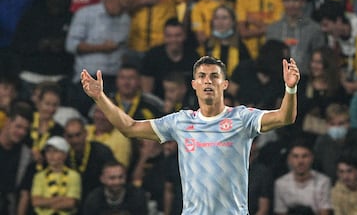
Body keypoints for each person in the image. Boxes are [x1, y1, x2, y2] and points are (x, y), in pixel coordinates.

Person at [80, 55, 300, 214]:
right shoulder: (181, 121)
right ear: (194, 84)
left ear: (225, 84)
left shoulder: (242, 119)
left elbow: (285, 117)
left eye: (214, 76)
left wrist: (290, 89)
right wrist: (100, 97)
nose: (208, 81)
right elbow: (130, 127)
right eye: (202, 76)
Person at [65, 0, 131, 116]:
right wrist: (101, 48)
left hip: (113, 80)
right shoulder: (86, 14)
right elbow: (71, 45)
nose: (123, 9)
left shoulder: (125, 19)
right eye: (121, 5)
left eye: (125, 6)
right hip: (87, 78)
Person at [12, 0, 73, 100]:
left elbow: (78, 47)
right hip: (29, 76)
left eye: (62, 0)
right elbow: (17, 45)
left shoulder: (72, 19)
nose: (57, 4)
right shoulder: (31, 16)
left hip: (60, 78)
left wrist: (64, 45)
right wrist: (39, 45)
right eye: (55, 0)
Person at [266, 0, 326, 80]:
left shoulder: (314, 29)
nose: (291, 5)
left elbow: (321, 59)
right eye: (287, 0)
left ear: (303, 2)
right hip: (277, 81)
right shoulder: (273, 29)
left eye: (295, 0)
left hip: (305, 80)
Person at [140, 18, 200, 99]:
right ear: (164, 37)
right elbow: (146, 93)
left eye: (177, 35)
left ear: (184, 36)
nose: (173, 40)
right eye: (169, 36)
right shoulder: (152, 57)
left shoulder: (193, 57)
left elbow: (199, 89)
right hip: (158, 105)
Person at [313, 103, 357, 183]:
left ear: (348, 124)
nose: (336, 128)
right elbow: (317, 169)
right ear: (327, 124)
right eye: (332, 124)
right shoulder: (321, 142)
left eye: (341, 124)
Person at [273, 138, 332, 215]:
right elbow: (280, 212)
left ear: (312, 158)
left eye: (304, 156)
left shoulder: (324, 182)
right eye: (295, 156)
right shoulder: (280, 184)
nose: (300, 161)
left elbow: (325, 212)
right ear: (289, 159)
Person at [64, 118, 115, 204]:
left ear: (85, 133)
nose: (75, 140)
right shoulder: (64, 156)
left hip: (100, 201)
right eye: (70, 136)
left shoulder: (101, 152)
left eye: (78, 135)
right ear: (65, 137)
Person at [31, 136, 81, 215]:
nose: (51, 155)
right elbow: (36, 202)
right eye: (48, 151)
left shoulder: (74, 176)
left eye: (55, 151)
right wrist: (60, 199)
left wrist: (46, 203)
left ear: (64, 154)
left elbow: (71, 203)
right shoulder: (39, 176)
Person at [0, 101, 35, 215]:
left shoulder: (27, 156)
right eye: (18, 126)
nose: (21, 132)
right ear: (8, 122)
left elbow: (24, 194)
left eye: (25, 129)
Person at [199, 5, 251, 78]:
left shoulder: (241, 48)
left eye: (224, 18)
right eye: (216, 18)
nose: (220, 22)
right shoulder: (206, 47)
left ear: (233, 22)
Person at [82, 160, 148, 215]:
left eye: (120, 177)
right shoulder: (93, 199)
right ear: (102, 179)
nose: (117, 182)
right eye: (112, 178)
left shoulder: (137, 195)